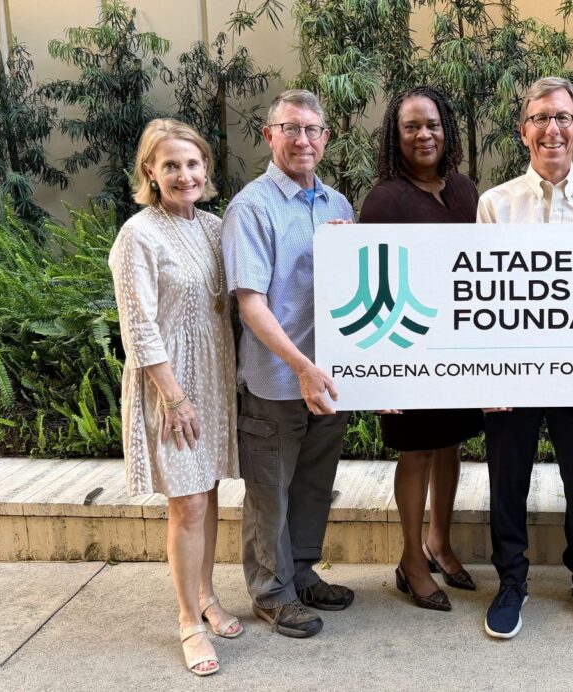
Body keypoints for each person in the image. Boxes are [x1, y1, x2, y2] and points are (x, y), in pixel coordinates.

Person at [477, 77, 573, 639]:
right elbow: (481, 294)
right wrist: (487, 382)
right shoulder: (494, 204)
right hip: (512, 374)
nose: (552, 129)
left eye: (563, 117)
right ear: (523, 132)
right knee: (507, 479)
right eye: (540, 118)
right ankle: (511, 581)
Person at [109, 118, 240, 676]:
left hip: (212, 374)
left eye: (192, 164)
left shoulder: (214, 227)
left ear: (205, 169)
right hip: (171, 384)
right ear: (150, 172)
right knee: (185, 501)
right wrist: (173, 396)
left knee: (206, 492)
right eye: (171, 165)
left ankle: (207, 595)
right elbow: (138, 326)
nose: (184, 174)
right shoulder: (139, 234)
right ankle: (189, 620)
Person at [221, 90, 355, 640]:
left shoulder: (339, 206)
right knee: (270, 492)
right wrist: (301, 366)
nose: (303, 140)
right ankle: (271, 594)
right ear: (268, 135)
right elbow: (251, 304)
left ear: (325, 138)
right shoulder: (251, 207)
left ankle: (300, 573)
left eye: (313, 130)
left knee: (312, 486)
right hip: (279, 379)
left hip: (332, 378)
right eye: (291, 128)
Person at [359, 86, 485, 611]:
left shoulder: (464, 190)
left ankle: (439, 541)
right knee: (417, 452)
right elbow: (368, 280)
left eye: (431, 123)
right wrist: (378, 371)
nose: (423, 134)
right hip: (406, 348)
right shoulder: (384, 198)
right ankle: (412, 560)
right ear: (396, 135)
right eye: (411, 126)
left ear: (446, 128)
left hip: (456, 350)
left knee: (451, 444)